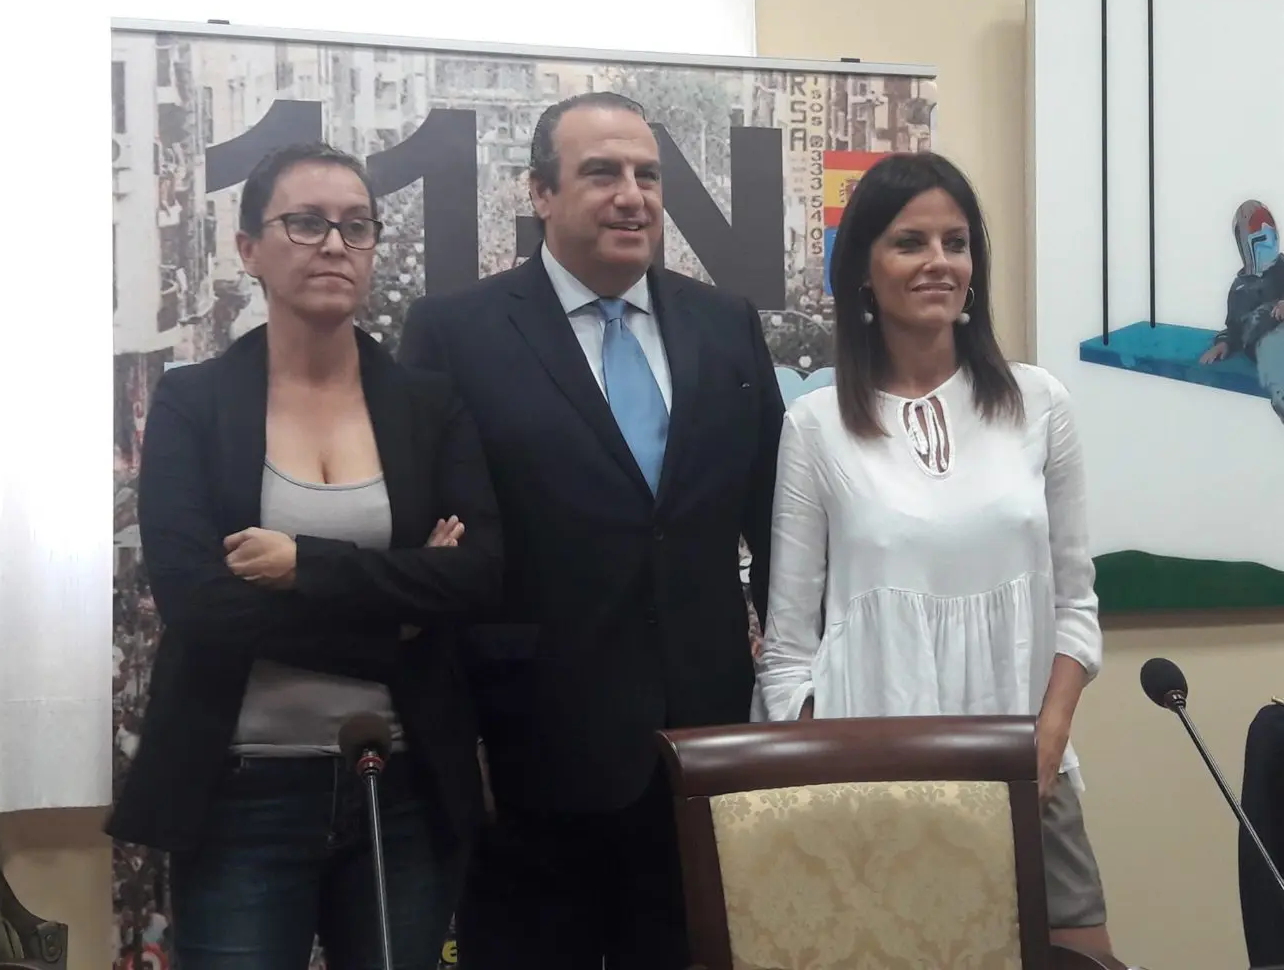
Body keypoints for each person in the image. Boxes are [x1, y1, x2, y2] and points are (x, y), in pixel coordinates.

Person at [399, 92, 784, 969]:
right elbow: (435, 550)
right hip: (531, 756)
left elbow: (774, 525)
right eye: (602, 173)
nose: (631, 196)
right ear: (541, 192)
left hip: (704, 746)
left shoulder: (725, 324)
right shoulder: (456, 332)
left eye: (648, 175)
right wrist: (457, 740)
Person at [106, 142, 503, 970]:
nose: (334, 245)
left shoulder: (427, 405)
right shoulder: (193, 403)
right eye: (307, 223)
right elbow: (200, 604)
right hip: (241, 793)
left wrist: (305, 566)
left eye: (356, 226)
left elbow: (476, 575)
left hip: (402, 787)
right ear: (249, 248)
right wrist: (394, 626)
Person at [754, 151, 1116, 956]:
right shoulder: (814, 426)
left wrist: (1049, 737)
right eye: (910, 242)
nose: (938, 262)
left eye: (956, 242)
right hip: (870, 782)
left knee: (1083, 956)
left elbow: (1076, 605)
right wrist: (831, 773)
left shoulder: (1039, 402)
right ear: (863, 270)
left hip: (1027, 765)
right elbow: (789, 652)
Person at [1198, 199, 1284, 422]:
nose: (1270, 245)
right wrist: (1224, 343)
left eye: (1273, 237)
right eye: (1262, 239)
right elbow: (1235, 328)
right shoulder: (1240, 289)